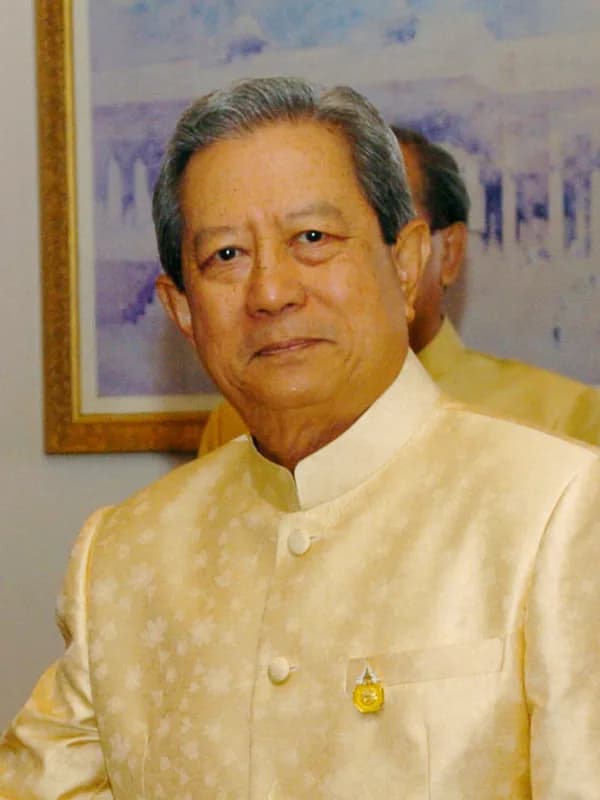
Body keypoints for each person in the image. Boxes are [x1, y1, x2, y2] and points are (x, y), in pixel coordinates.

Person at [1, 76, 599, 798]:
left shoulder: (558, 509)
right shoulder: (124, 555)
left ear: (406, 264)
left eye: (312, 239)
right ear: (182, 309)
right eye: (226, 256)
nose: (272, 292)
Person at [199, 128, 600, 455]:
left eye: (385, 231)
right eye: (316, 236)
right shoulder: (241, 421)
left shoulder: (563, 420)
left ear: (447, 252)